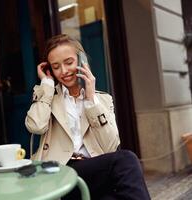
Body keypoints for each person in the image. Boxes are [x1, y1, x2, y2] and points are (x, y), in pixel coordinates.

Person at [25, 34, 150, 200]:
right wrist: (46, 86)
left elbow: (111, 145)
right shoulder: (48, 98)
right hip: (60, 172)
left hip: (94, 171)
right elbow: (36, 126)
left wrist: (91, 101)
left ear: (81, 60)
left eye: (69, 62)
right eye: (56, 67)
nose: (64, 71)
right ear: (50, 70)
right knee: (127, 160)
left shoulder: (102, 99)